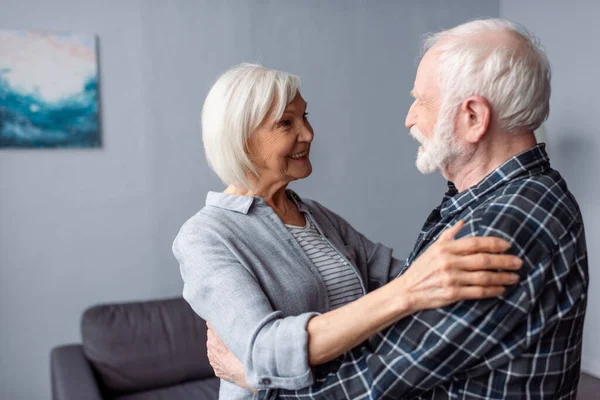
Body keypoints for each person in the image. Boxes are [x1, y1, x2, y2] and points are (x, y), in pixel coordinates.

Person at [209, 19, 589, 399]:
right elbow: (404, 284)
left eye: (421, 101)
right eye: (286, 122)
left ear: (473, 117)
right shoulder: (511, 198)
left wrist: (257, 378)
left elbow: (375, 382)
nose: (409, 118)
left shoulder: (500, 228)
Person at [172, 63, 522, 400]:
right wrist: (407, 292)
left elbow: (402, 273)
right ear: (242, 139)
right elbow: (265, 350)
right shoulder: (205, 236)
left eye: (305, 117)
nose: (308, 134)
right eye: (286, 123)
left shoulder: (316, 216)